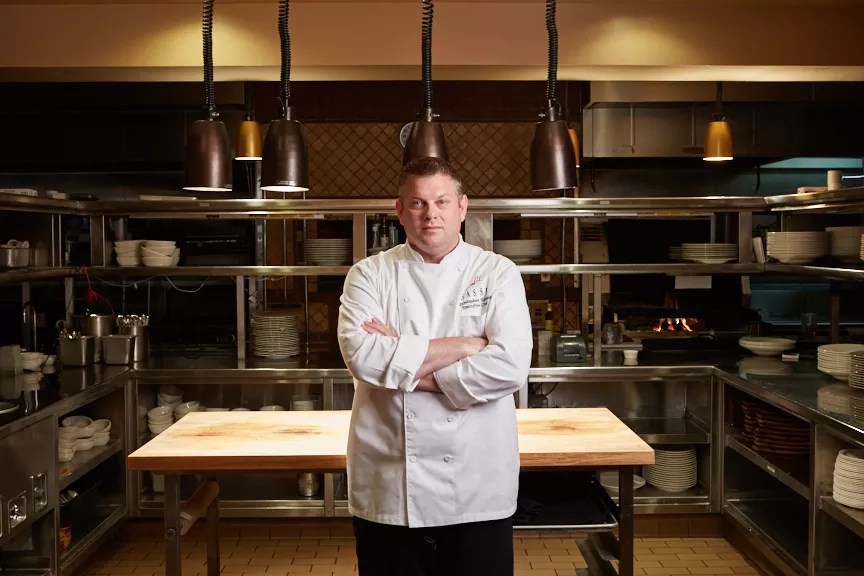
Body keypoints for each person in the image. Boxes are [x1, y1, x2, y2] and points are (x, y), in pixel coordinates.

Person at [337, 157, 533, 576]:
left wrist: (404, 364)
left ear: (462, 207)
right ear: (399, 210)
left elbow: (510, 367)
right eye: (418, 203)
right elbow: (363, 355)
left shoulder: (497, 272)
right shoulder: (368, 274)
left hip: (477, 486)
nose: (431, 214)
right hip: (390, 486)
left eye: (442, 201)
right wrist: (467, 345)